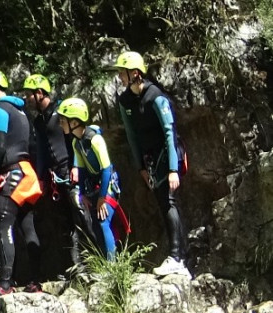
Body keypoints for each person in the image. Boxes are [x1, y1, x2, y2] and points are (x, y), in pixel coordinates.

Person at [113, 50, 190, 278]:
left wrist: (173, 169)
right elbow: (131, 135)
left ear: (135, 73)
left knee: (168, 201)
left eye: (123, 72)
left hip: (167, 155)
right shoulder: (125, 100)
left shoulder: (156, 96)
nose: (120, 77)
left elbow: (169, 132)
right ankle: (179, 258)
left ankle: (177, 258)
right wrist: (141, 169)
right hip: (150, 162)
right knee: (164, 204)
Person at [0, 69, 43, 300]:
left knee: (2, 225)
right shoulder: (22, 111)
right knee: (27, 227)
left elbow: (0, 144)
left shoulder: (0, 109)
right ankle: (35, 281)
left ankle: (5, 284)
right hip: (27, 173)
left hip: (12, 173)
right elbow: (34, 144)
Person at [22, 73, 91, 276]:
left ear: (40, 93)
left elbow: (74, 142)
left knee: (82, 216)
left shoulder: (61, 112)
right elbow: (42, 152)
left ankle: (96, 261)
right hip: (54, 178)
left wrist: (76, 166)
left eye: (29, 95)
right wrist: (41, 178)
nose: (27, 99)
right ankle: (74, 265)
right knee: (63, 222)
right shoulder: (39, 122)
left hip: (70, 172)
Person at [57, 98, 126, 261]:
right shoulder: (77, 142)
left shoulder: (95, 139)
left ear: (74, 122)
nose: (60, 124)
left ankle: (113, 267)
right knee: (95, 224)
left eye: (63, 120)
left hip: (108, 184)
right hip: (95, 187)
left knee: (103, 222)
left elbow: (106, 168)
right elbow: (81, 169)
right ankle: (106, 262)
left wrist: (102, 198)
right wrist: (83, 195)